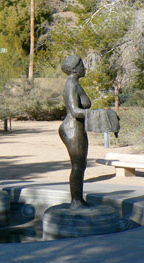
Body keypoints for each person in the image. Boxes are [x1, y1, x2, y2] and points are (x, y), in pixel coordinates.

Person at [59, 55, 91, 208]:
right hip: (72, 128)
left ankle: (78, 199)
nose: (84, 69)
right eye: (82, 66)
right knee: (78, 165)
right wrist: (95, 114)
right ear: (74, 69)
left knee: (80, 165)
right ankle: (76, 201)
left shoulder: (75, 84)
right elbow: (75, 111)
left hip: (77, 127)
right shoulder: (71, 84)